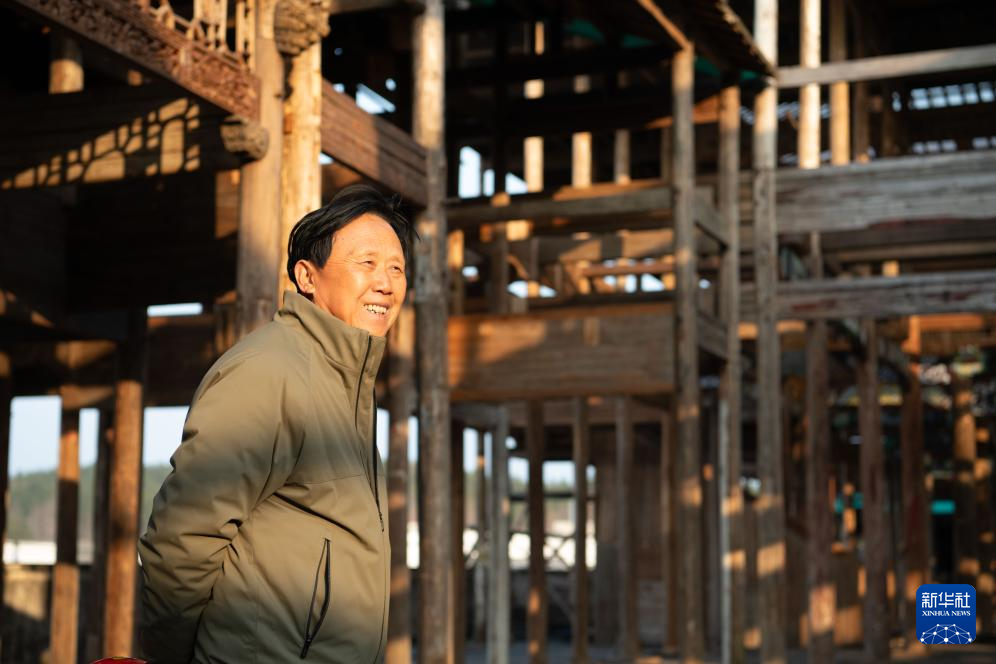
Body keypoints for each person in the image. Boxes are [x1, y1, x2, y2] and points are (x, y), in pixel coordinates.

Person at [138, 184, 414, 663]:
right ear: (307, 276)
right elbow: (182, 539)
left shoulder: (347, 386)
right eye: (366, 263)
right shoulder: (268, 372)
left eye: (396, 268)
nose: (385, 284)